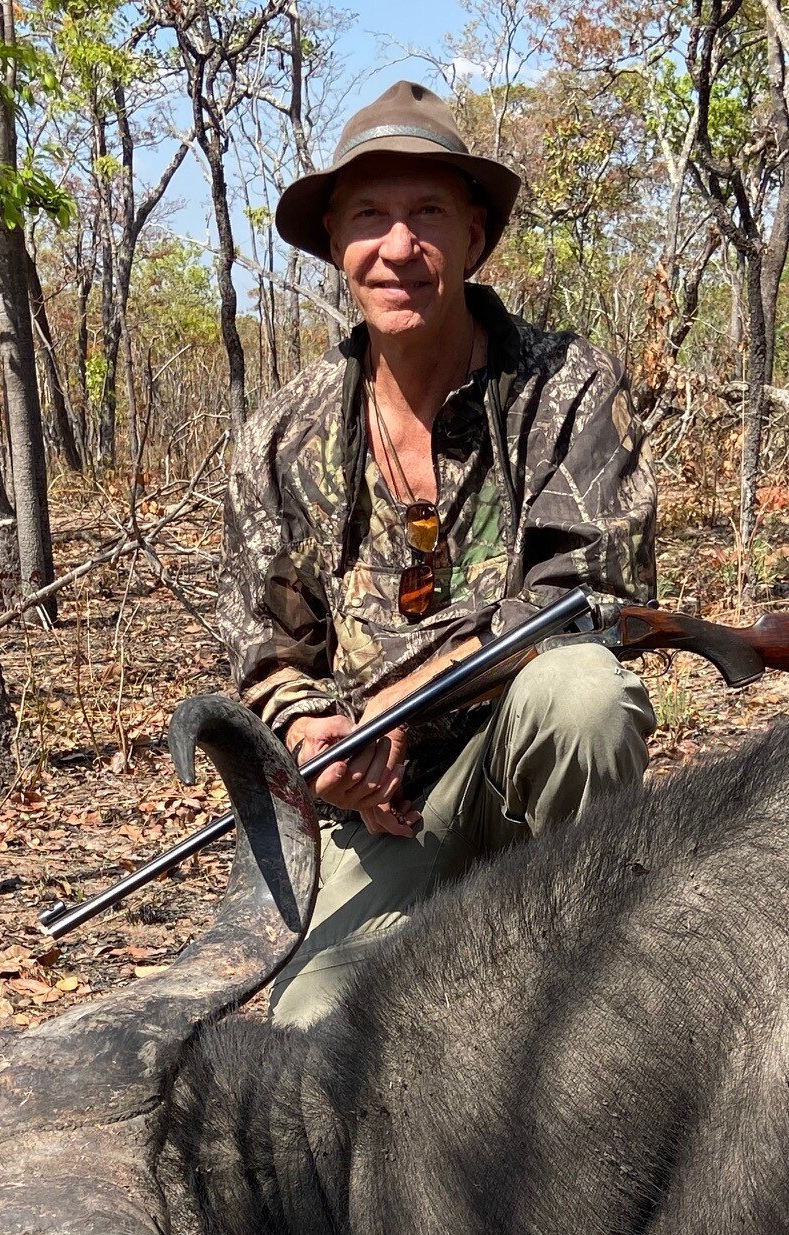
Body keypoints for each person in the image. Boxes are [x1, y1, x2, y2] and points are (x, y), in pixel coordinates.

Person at [219, 80, 658, 1028]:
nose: (399, 246)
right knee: (311, 1030)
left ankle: (607, 1001)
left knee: (583, 690)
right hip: (383, 813)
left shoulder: (566, 387)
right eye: (370, 216)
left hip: (527, 762)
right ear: (336, 243)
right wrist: (315, 740)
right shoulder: (281, 433)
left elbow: (580, 600)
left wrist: (396, 710)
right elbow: (267, 650)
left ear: (473, 236)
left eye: (427, 213)